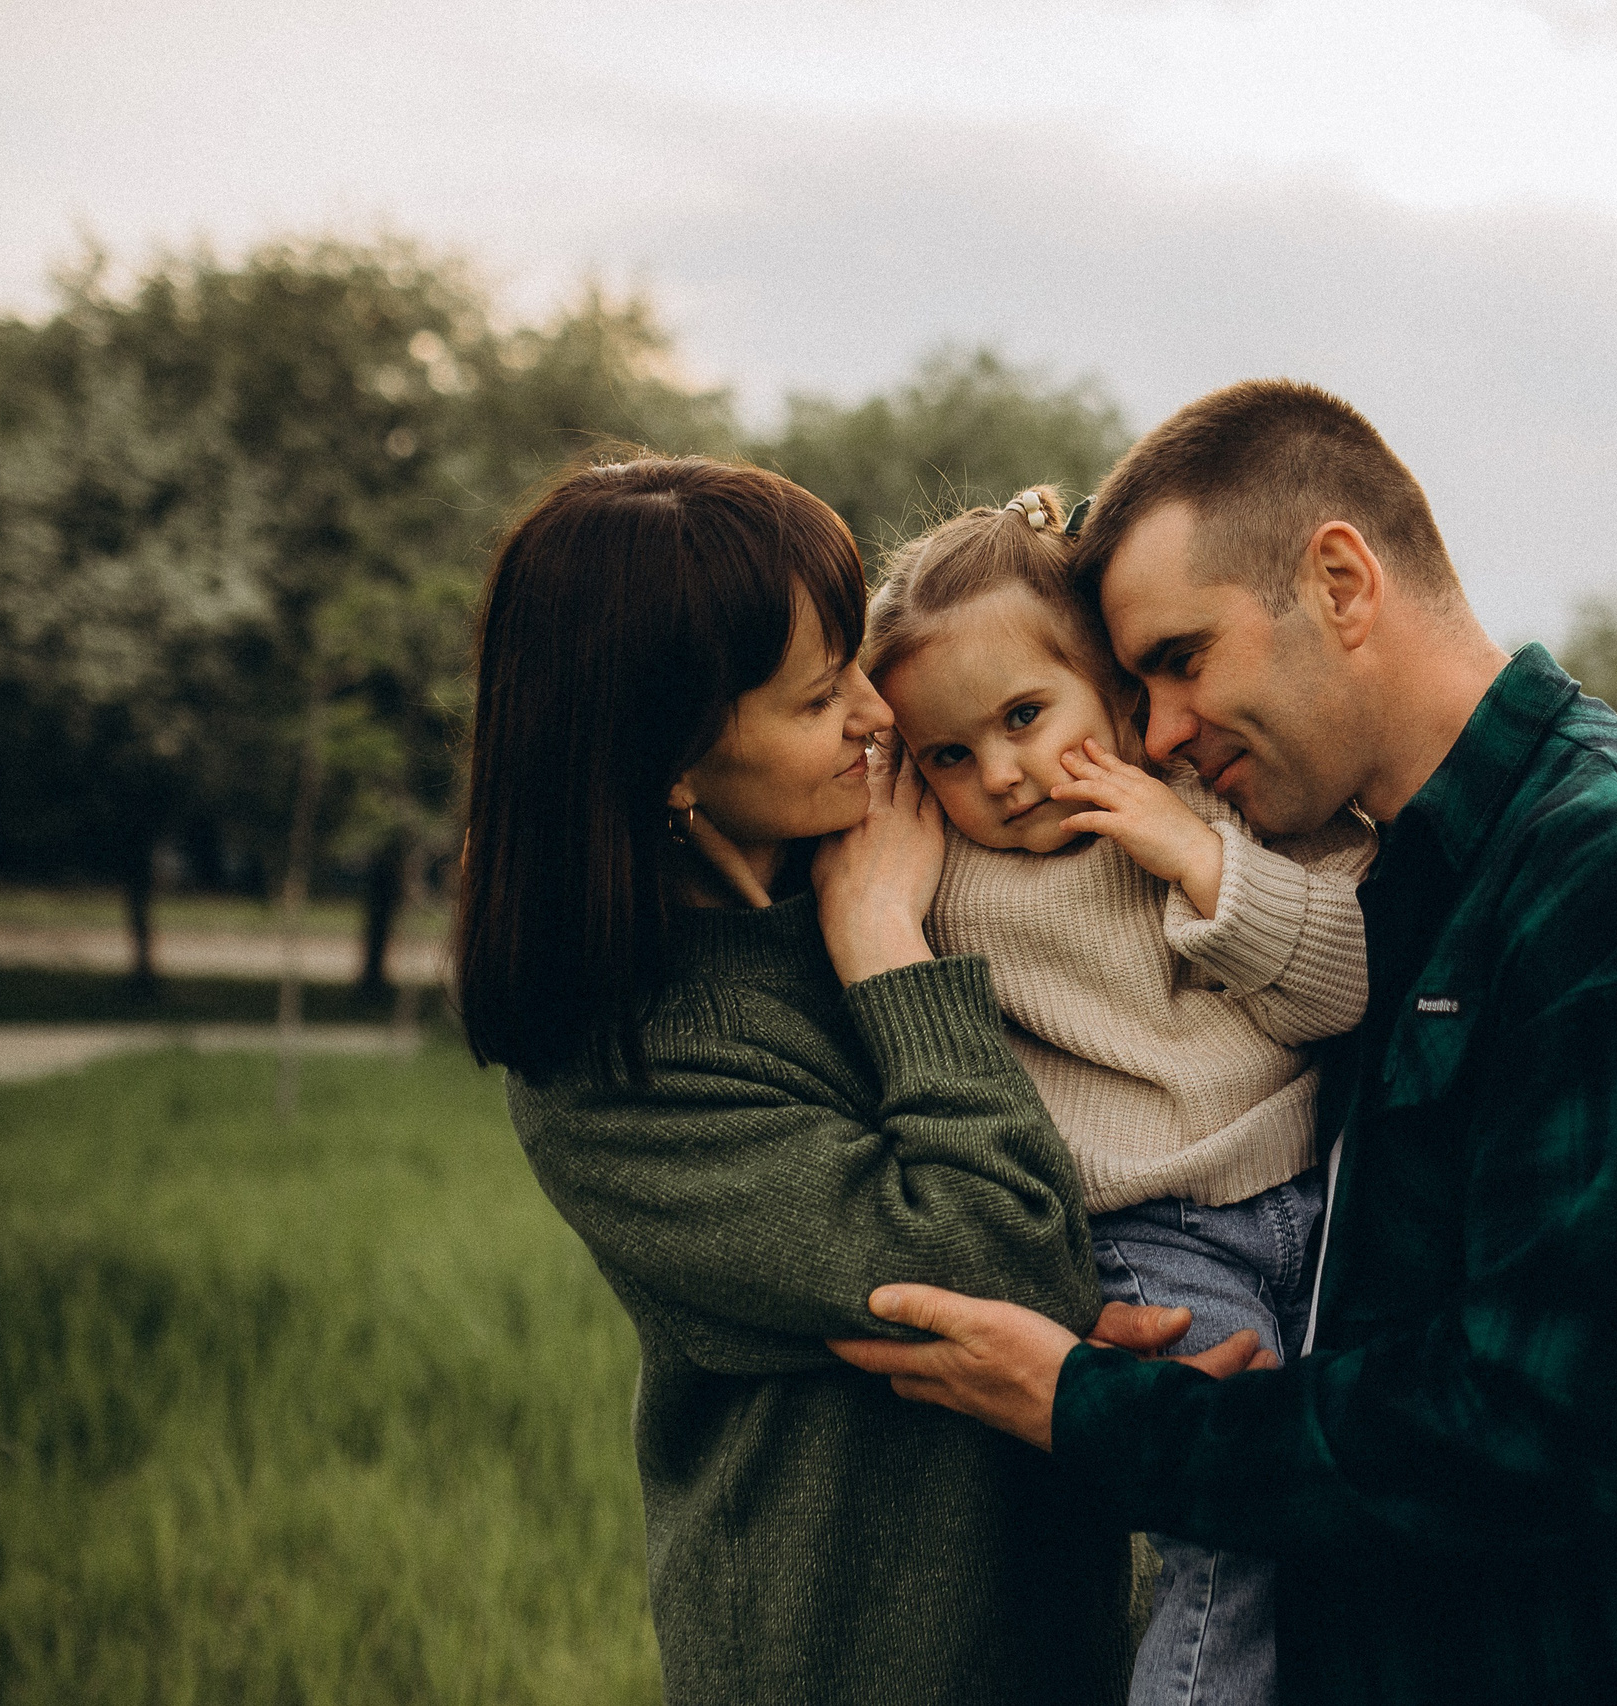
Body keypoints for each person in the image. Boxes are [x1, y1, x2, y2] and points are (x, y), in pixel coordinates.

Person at [832, 383, 1617, 1704]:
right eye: (1133, 684)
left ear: (1339, 580)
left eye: (1182, 660)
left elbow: (1536, 1427)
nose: (1155, 735)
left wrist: (1087, 1406)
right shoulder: (1400, 878)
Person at [452, 455, 1146, 1706]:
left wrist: (1117, 1370)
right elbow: (1000, 1251)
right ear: (671, 763)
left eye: (858, 669)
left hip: (1068, 1644)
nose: (881, 718)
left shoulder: (897, 848)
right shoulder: (619, 1067)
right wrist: (886, 943)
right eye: (822, 696)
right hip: (851, 1661)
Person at [861, 484, 1375, 1706]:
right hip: (1147, 1241)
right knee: (1227, 1527)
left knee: (1354, 1506)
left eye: (1028, 714)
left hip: (1318, 1211)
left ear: (1109, 679)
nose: (1006, 772)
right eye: (950, 752)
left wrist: (1200, 858)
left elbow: (1349, 983)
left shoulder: (1208, 807)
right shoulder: (945, 880)